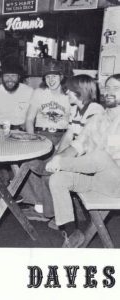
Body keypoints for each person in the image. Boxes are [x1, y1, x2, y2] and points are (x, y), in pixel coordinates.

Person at [47, 73, 120, 248]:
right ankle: (73, 234)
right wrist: (58, 158)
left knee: (101, 155)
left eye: (116, 88)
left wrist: (61, 163)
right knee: (57, 179)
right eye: (107, 87)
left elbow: (102, 158)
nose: (109, 91)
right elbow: (78, 145)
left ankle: (62, 165)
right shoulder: (97, 119)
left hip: (116, 182)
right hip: (97, 180)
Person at [21, 74, 103, 224]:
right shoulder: (76, 110)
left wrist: (58, 160)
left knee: (46, 173)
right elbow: (68, 135)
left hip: (90, 161)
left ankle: (54, 216)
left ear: (80, 92)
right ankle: (51, 213)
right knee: (35, 164)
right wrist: (56, 156)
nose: (66, 93)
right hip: (78, 156)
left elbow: (80, 143)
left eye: (70, 90)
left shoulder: (95, 110)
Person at [0, 59, 34, 130]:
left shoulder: (29, 91)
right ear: (2, 77)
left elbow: (31, 116)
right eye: (6, 75)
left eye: (13, 75)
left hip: (21, 131)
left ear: (19, 77)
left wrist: (22, 131)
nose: (10, 79)